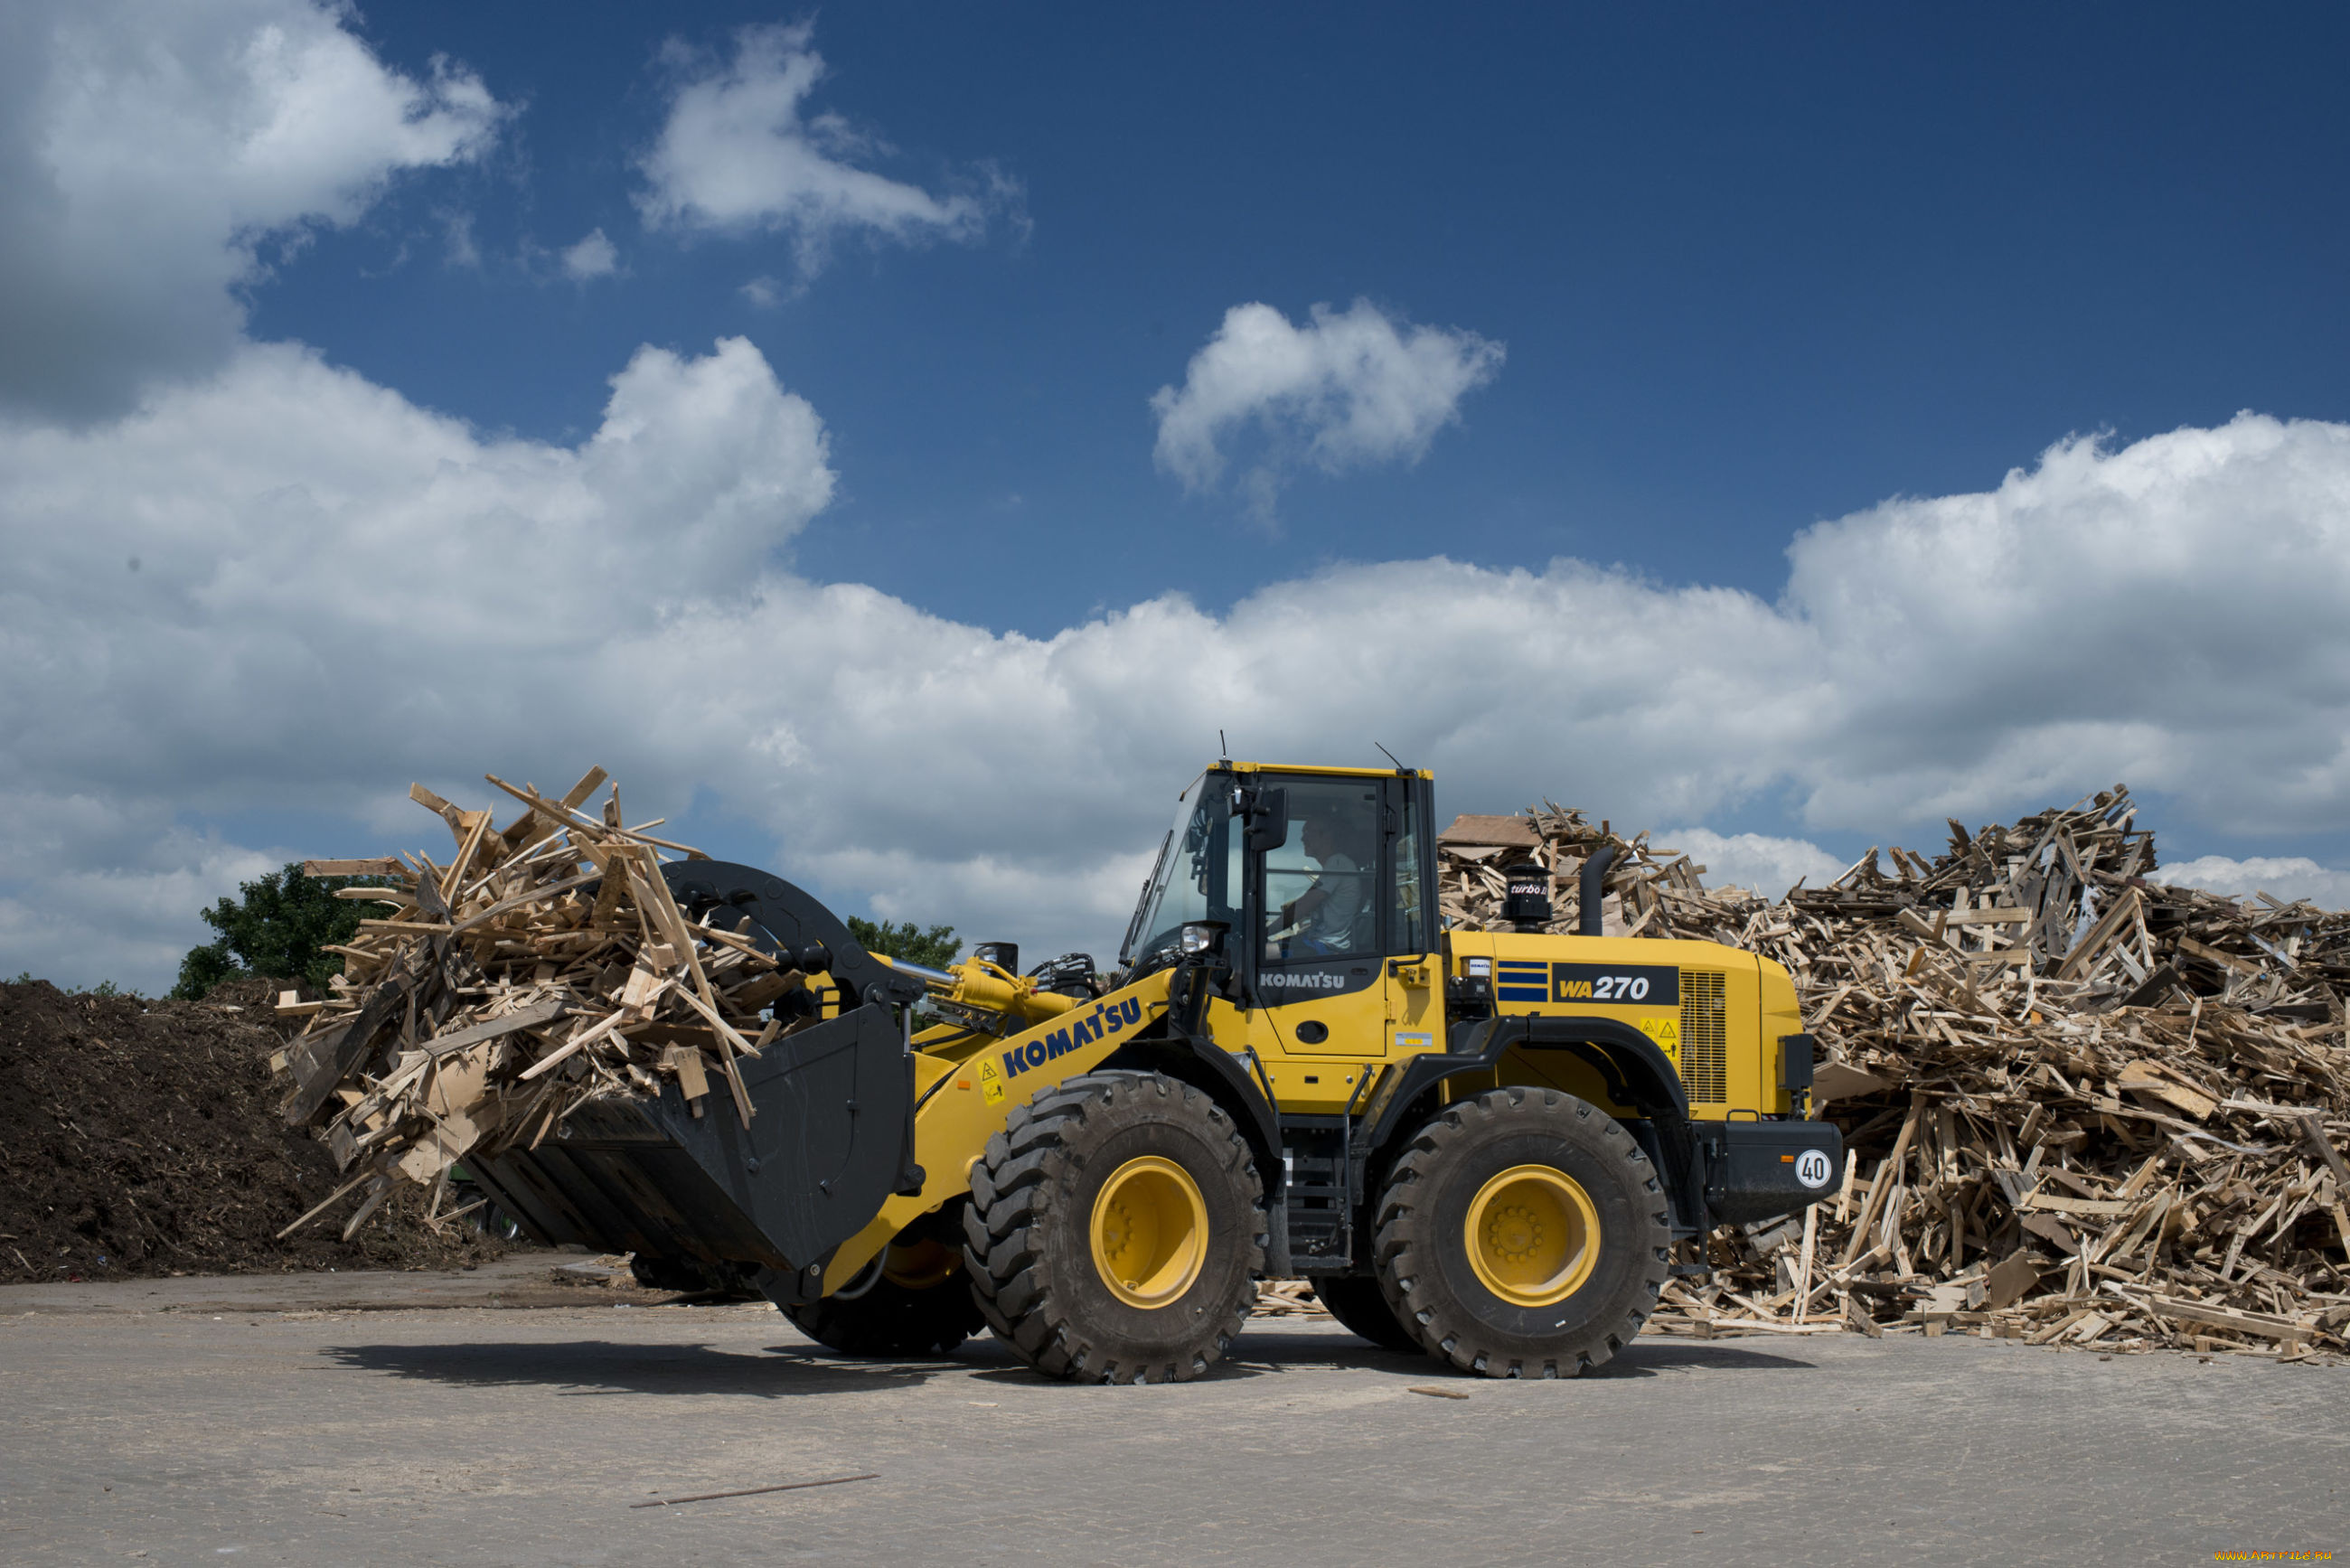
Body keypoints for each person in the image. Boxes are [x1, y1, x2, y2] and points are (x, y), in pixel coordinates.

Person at [1281, 814, 1368, 957]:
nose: (1302, 839)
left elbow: (1303, 906)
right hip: (1317, 940)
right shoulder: (1332, 867)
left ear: (1327, 836)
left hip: (1326, 946)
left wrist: (1265, 931)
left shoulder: (1338, 863)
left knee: (1260, 952)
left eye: (1308, 832)